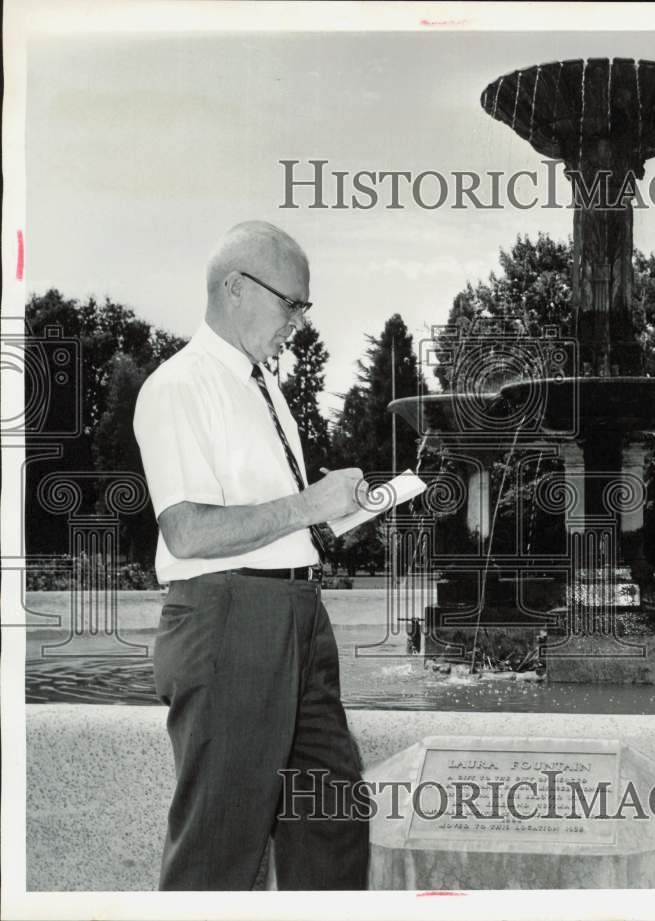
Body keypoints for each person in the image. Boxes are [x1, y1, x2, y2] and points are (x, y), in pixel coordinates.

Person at [133, 220, 370, 891]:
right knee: (219, 849)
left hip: (297, 614)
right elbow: (188, 532)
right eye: (290, 302)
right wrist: (307, 506)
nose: (299, 320)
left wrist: (341, 512)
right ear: (236, 288)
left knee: (332, 816)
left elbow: (275, 518)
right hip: (228, 616)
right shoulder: (179, 386)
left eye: (304, 306)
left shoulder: (262, 388)